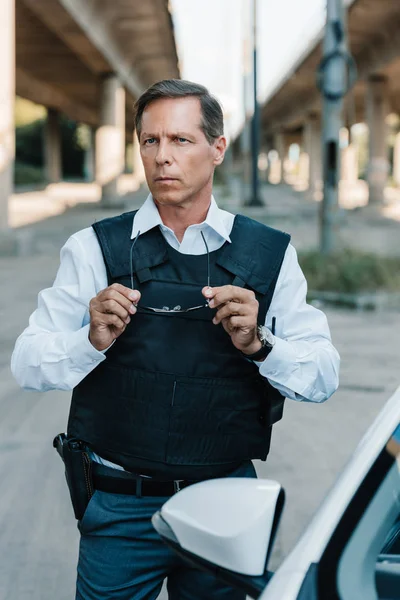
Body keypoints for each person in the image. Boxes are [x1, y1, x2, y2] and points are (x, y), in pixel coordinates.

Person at [11, 79, 340, 600]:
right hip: (120, 507)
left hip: (226, 508)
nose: (163, 157)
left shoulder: (270, 253)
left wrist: (261, 344)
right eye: (150, 141)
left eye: (181, 141)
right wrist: (89, 342)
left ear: (217, 149)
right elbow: (26, 363)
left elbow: (323, 376)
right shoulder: (93, 248)